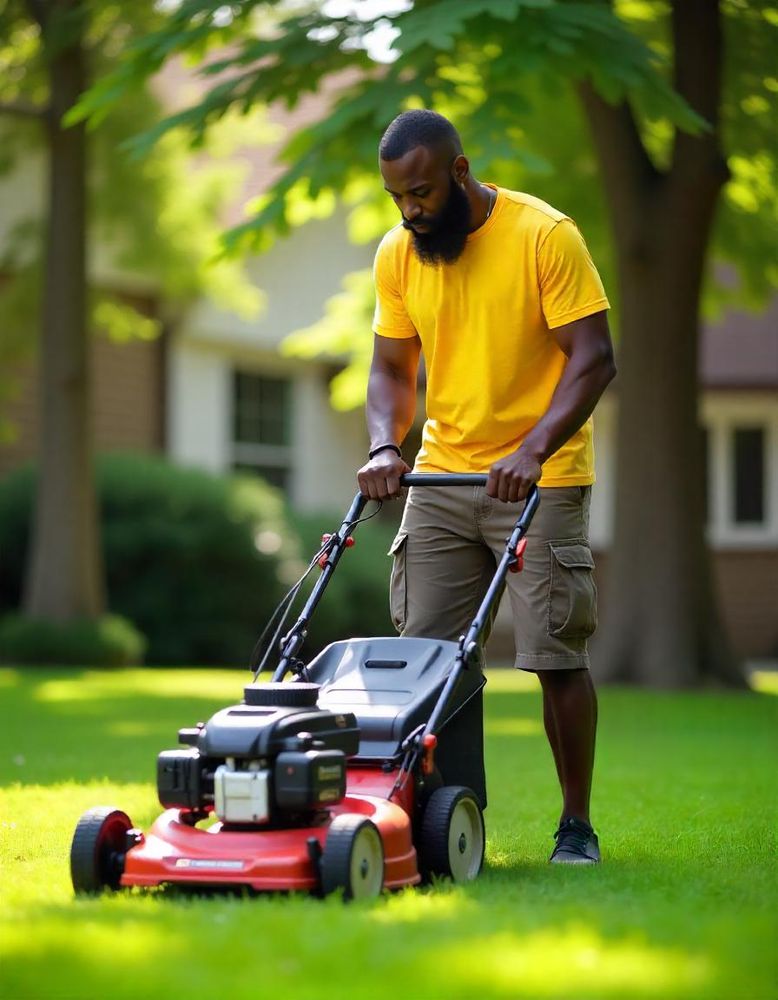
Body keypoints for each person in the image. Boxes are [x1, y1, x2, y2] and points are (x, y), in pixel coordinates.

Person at [357, 109, 616, 865]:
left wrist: (534, 449)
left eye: (424, 193)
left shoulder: (545, 235)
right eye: (398, 197)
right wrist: (383, 443)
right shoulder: (398, 255)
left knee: (554, 655)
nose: (411, 210)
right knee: (427, 660)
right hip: (441, 475)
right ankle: (447, 821)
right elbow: (390, 369)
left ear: (461, 172)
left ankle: (575, 825)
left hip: (541, 479)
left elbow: (594, 357)